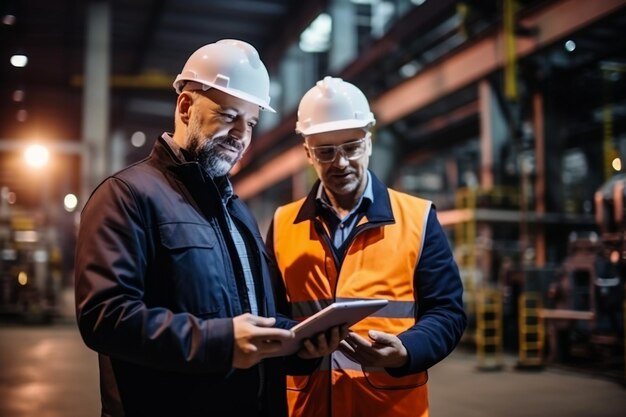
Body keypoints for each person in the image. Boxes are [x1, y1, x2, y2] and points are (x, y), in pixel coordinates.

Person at [74, 40, 344, 417]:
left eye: (250, 122)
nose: (241, 135)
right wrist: (220, 342)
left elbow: (249, 314)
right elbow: (105, 318)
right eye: (229, 115)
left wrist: (298, 343)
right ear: (186, 107)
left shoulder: (238, 213)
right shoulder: (126, 197)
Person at [265, 76, 467, 417]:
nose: (340, 162)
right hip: (309, 407)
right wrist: (300, 350)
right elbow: (270, 316)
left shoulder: (417, 219)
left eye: (351, 147)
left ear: (369, 143)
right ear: (307, 153)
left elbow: (447, 312)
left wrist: (406, 350)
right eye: (325, 151)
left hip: (389, 407)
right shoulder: (283, 223)